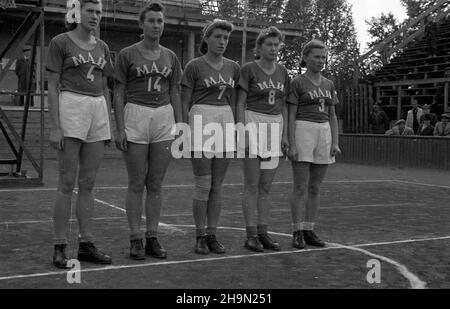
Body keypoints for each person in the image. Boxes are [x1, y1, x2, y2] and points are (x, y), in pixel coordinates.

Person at [46, 0, 114, 268]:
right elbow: (52, 87)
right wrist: (54, 126)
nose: (95, 16)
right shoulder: (60, 42)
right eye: (90, 11)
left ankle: (86, 243)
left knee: (88, 182)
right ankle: (60, 245)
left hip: (97, 107)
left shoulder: (103, 46)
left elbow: (105, 85)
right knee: (66, 182)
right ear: (77, 13)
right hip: (71, 104)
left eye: (98, 12)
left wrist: (107, 120)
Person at [114, 2, 182, 260]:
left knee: (155, 182)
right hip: (136, 115)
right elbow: (118, 92)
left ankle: (152, 236)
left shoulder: (171, 57)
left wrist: (180, 126)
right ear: (141, 24)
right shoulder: (127, 54)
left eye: (160, 21)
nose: (156, 25)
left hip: (163, 116)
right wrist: (119, 128)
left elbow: (175, 91)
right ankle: (135, 238)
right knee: (136, 181)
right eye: (151, 20)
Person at [181, 19, 240, 255]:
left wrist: (236, 129)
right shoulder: (194, 66)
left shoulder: (233, 67)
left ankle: (212, 234)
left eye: (225, 38)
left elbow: (234, 102)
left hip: (224, 118)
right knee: (203, 183)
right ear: (206, 38)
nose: (222, 42)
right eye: (217, 37)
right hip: (200, 119)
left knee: (217, 184)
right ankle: (200, 235)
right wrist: (184, 129)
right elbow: (184, 101)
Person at [235, 27, 290, 252]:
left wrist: (285, 134)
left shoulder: (283, 72)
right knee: (251, 184)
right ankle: (250, 235)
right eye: (269, 44)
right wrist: (242, 130)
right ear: (259, 47)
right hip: (252, 121)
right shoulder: (248, 69)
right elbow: (239, 103)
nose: (274, 48)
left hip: (274, 124)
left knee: (266, 185)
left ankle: (263, 232)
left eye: (277, 45)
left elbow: (284, 104)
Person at [286, 39, 341, 249]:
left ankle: (309, 229)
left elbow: (333, 115)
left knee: (315, 187)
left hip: (323, 131)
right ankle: (297, 230)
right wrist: (291, 142)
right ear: (306, 58)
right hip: (303, 129)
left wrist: (335, 141)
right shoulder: (297, 82)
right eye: (317, 56)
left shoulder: (329, 84)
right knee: (300, 186)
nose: (321, 60)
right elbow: (291, 115)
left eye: (324, 57)